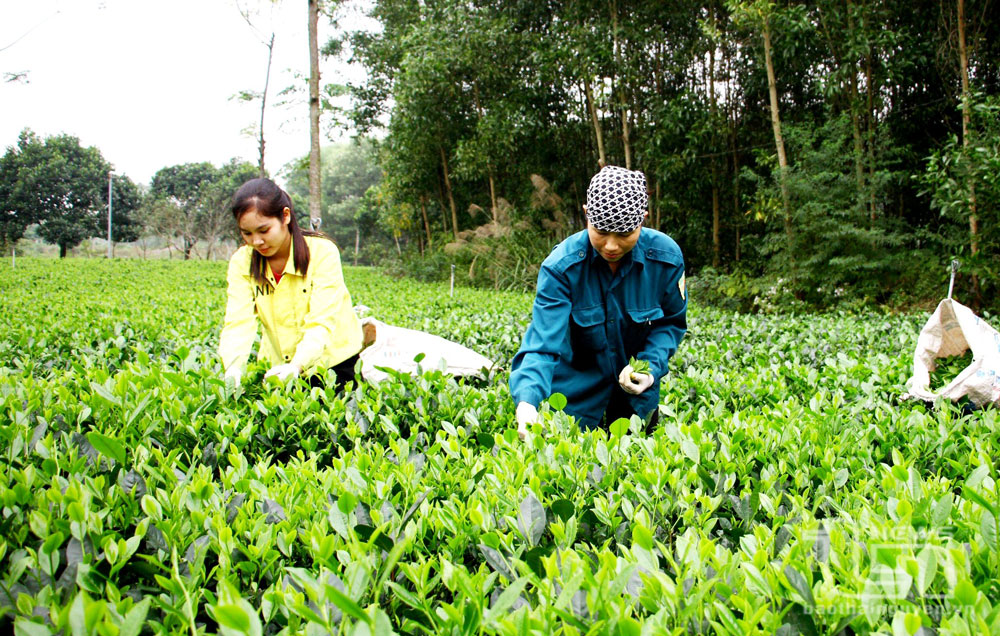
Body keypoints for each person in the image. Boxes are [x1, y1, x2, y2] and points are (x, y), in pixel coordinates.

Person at [510, 165, 687, 436]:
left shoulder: (665, 259)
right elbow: (542, 345)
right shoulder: (560, 268)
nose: (611, 246)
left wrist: (649, 369)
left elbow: (671, 324)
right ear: (586, 216)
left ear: (643, 219)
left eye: (625, 234)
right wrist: (527, 402)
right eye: (601, 232)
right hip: (575, 404)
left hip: (637, 404)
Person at [218, 178, 363, 390]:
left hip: (333, 363)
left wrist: (297, 365)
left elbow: (321, 321)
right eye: (246, 233)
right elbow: (238, 322)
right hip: (278, 367)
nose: (256, 241)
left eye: (264, 230)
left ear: (285, 216)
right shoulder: (243, 262)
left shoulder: (322, 252)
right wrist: (232, 366)